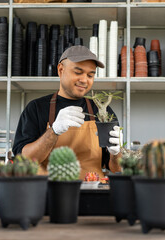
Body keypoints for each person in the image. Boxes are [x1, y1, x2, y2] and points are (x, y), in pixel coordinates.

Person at [12, 45, 122, 180]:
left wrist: (116, 153)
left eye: (90, 75)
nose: (84, 80)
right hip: (51, 193)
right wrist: (54, 131)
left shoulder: (102, 111)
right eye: (78, 72)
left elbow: (116, 168)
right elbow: (23, 161)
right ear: (60, 70)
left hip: (94, 192)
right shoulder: (36, 108)